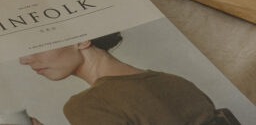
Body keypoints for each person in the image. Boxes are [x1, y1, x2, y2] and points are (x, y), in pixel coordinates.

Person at [18, 32, 218, 124]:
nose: (24, 60)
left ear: (81, 39)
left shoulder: (88, 104)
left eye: (35, 47)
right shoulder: (176, 82)